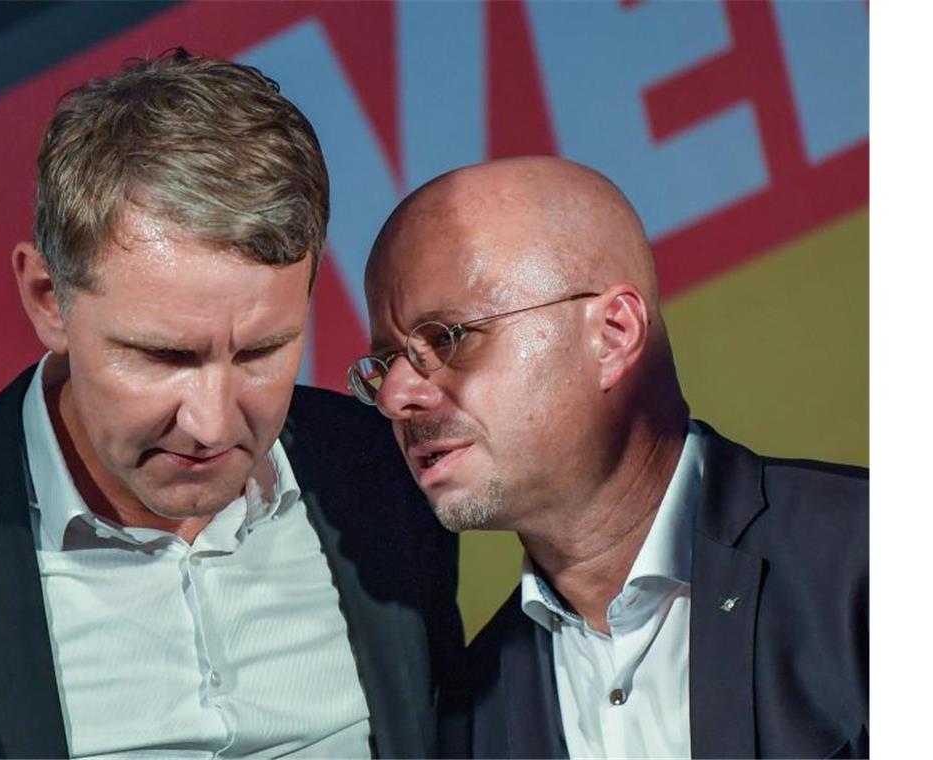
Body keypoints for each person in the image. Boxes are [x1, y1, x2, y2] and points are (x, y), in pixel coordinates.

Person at [0, 49, 462, 759]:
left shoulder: (384, 472)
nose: (211, 424)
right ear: (48, 301)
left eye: (262, 352)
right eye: (163, 356)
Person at [351, 156, 867, 758]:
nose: (393, 397)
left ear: (614, 334)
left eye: (445, 338)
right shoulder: (468, 716)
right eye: (385, 363)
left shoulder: (872, 556)